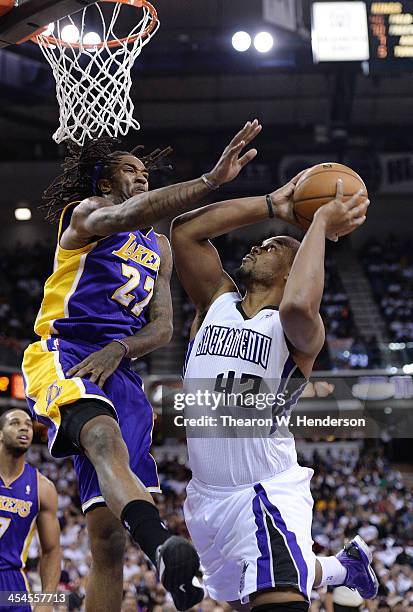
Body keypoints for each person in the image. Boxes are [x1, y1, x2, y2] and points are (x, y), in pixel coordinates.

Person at [22, 120, 261, 611]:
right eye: (130, 170)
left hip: (121, 368)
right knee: (102, 436)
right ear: (105, 184)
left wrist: (124, 349)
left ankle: (153, 547)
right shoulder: (89, 213)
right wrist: (209, 183)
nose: (142, 175)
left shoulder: (161, 248)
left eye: (145, 170)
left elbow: (164, 328)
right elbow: (134, 211)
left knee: (107, 544)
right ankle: (162, 548)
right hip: (67, 350)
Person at [171, 162, 378, 611]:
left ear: (291, 270)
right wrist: (273, 206)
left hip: (264, 489)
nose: (257, 244)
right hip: (207, 496)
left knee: (277, 600)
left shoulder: (298, 331)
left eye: (271, 246)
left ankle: (335, 569)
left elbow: (301, 302)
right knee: (244, 597)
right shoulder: (214, 303)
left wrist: (318, 224)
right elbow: (185, 231)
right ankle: (342, 568)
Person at [0, 407, 61, 612]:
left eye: (28, 424)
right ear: (0, 433)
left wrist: (46, 601)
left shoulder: (42, 487)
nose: (24, 428)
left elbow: (51, 551)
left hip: (12, 585)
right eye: (15, 423)